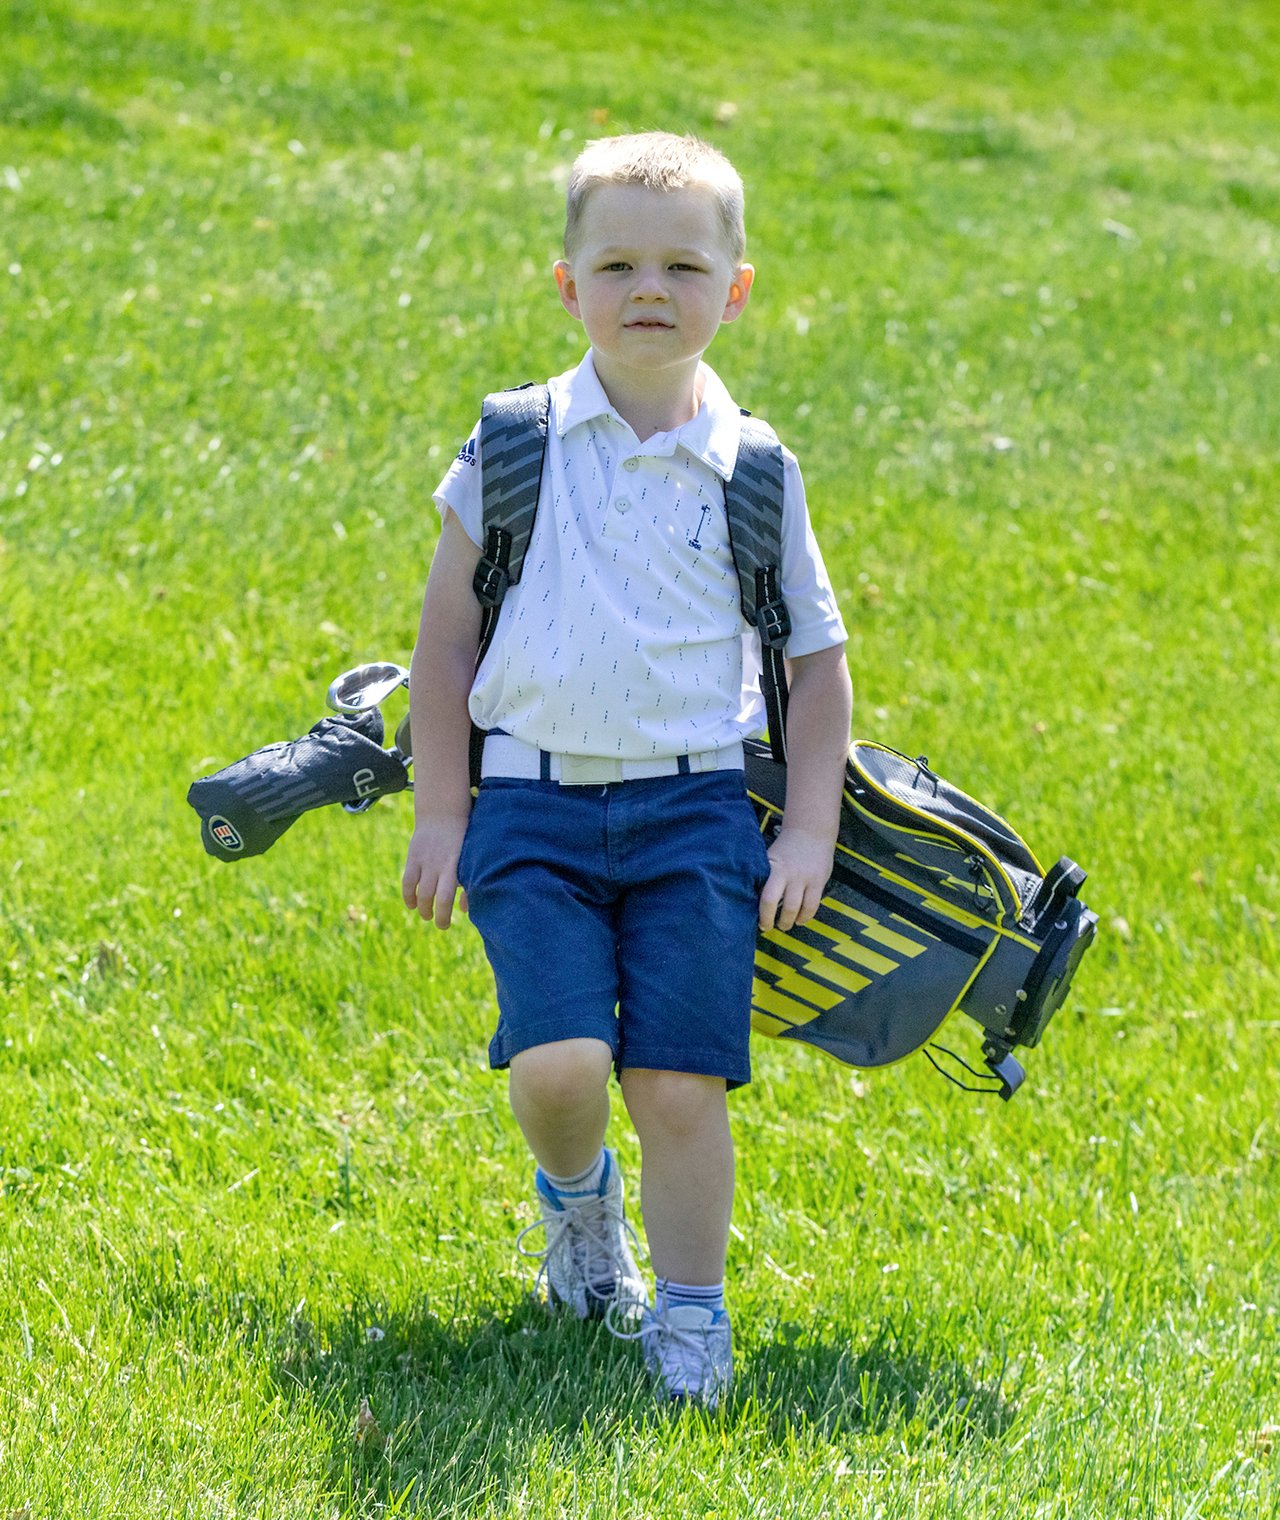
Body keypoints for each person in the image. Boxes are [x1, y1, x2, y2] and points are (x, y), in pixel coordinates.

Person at [401, 132, 852, 1405]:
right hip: (529, 804)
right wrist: (441, 810)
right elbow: (444, 641)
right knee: (559, 1065)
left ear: (734, 290)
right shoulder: (513, 443)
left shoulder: (754, 466)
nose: (648, 288)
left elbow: (816, 664)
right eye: (616, 265)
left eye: (681, 266)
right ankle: (581, 1209)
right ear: (567, 286)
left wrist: (805, 829)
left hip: (693, 811)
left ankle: (692, 1315)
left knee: (676, 1082)